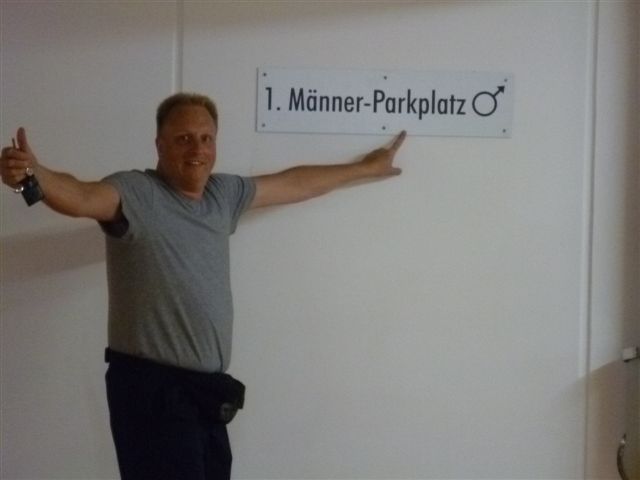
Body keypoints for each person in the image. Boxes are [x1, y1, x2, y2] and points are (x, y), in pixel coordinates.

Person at [0, 92, 405, 480]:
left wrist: (365, 168)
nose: (197, 148)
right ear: (159, 145)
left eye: (206, 138)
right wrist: (34, 174)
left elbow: (294, 183)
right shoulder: (138, 193)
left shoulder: (222, 195)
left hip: (206, 391)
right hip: (153, 391)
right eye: (183, 138)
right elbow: (81, 196)